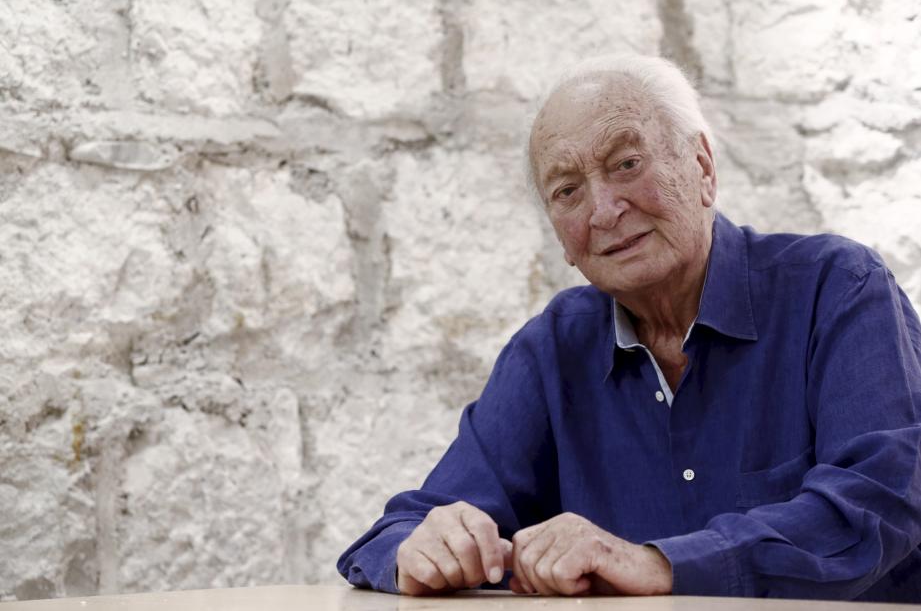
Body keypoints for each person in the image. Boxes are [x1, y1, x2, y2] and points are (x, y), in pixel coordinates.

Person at [336, 54, 921, 601]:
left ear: (702, 167)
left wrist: (660, 564)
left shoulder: (836, 288)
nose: (603, 211)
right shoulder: (551, 351)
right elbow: (401, 529)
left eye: (626, 165)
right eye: (568, 191)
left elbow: (881, 502)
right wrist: (424, 549)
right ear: (560, 238)